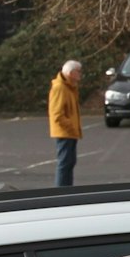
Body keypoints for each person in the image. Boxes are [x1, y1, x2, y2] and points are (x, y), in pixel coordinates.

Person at [48, 59, 82, 187]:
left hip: (70, 132)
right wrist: (71, 126)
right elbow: (57, 114)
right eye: (78, 71)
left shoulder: (70, 87)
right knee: (64, 163)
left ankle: (67, 188)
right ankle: (61, 190)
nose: (80, 74)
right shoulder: (60, 88)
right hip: (64, 133)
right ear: (71, 73)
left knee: (69, 163)